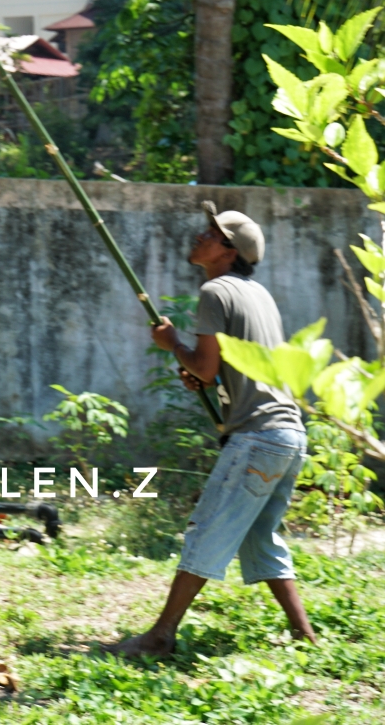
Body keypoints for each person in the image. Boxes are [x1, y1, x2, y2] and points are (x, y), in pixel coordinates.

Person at [109, 201, 315, 656]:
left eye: (211, 233)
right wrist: (206, 374)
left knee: (208, 531)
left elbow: (203, 366)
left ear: (228, 250)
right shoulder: (256, 293)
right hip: (289, 434)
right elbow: (228, 368)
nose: (200, 236)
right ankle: (304, 633)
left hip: (259, 436)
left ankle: (160, 636)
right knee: (260, 536)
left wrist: (174, 345)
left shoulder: (215, 292)